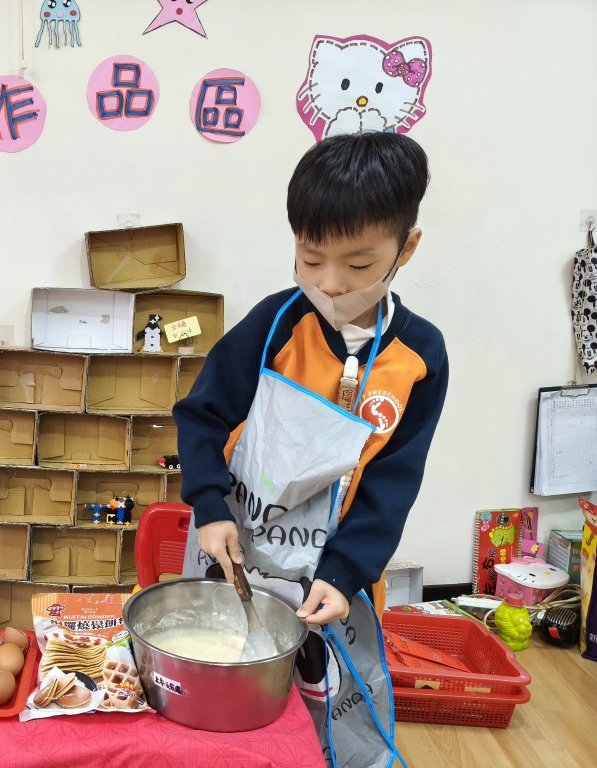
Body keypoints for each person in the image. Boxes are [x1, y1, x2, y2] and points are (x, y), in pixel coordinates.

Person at [173, 131, 447, 766]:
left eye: (359, 265)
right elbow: (201, 415)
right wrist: (209, 506)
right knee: (225, 687)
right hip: (236, 543)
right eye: (310, 258)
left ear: (406, 248)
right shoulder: (274, 325)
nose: (331, 283)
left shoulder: (419, 356)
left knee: (325, 701)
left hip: (335, 567)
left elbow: (394, 480)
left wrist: (347, 573)